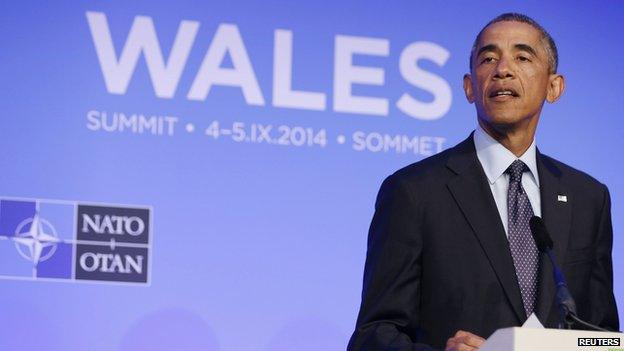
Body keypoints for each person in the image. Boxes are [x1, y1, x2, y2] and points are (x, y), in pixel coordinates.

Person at [347, 13, 619, 351]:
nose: (502, 69)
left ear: (554, 87)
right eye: (488, 58)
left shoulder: (587, 198)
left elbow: (602, 334)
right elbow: (373, 335)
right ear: (468, 87)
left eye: (522, 57)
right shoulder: (415, 192)